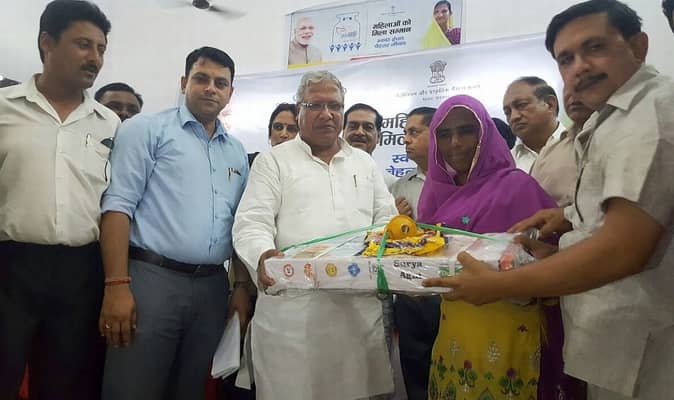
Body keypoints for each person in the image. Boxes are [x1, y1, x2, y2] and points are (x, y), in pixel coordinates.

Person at [423, 1, 674, 399]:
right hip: (613, 338)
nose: (580, 67)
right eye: (566, 58)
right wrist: (568, 220)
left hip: (644, 344)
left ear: (639, 46)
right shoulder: (613, 120)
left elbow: (624, 248)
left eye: (595, 47)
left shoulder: (650, 114)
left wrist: (499, 285)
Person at [232, 70, 397, 400]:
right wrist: (262, 255)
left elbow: (386, 222)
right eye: (315, 105)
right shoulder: (273, 161)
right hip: (293, 315)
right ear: (299, 111)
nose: (327, 114)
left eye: (334, 106)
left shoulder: (364, 164)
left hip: (355, 312)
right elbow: (252, 222)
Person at [99, 46, 251, 400]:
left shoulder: (236, 151)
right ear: (184, 83)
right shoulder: (146, 129)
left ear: (230, 92)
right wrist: (116, 285)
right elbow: (117, 207)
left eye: (220, 83)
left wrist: (241, 287)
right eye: (201, 78)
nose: (210, 88)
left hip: (212, 287)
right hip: (151, 280)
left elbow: (241, 222)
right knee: (132, 387)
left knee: (190, 389)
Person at [0, 1, 118, 399]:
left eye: (101, 48)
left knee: (64, 385)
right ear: (46, 43)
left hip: (79, 274)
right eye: (83, 44)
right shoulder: (4, 108)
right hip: (10, 267)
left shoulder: (108, 123)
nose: (95, 58)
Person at [417, 95, 559, 400]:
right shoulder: (434, 193)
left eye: (466, 130)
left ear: (486, 134)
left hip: (510, 327)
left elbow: (558, 263)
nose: (455, 143)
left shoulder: (517, 186)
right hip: (454, 326)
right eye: (444, 134)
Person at [530, 85, 593, 206]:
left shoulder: (621, 138)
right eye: (567, 88)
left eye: (582, 85)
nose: (572, 95)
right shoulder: (547, 153)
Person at [503, 76, 566, 173]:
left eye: (521, 105)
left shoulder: (580, 146)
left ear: (550, 104)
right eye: (507, 112)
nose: (513, 117)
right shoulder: (507, 165)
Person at [343, 102, 396, 189]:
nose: (359, 132)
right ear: (343, 133)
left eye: (368, 127)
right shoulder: (326, 173)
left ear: (379, 137)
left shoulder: (389, 183)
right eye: (353, 126)